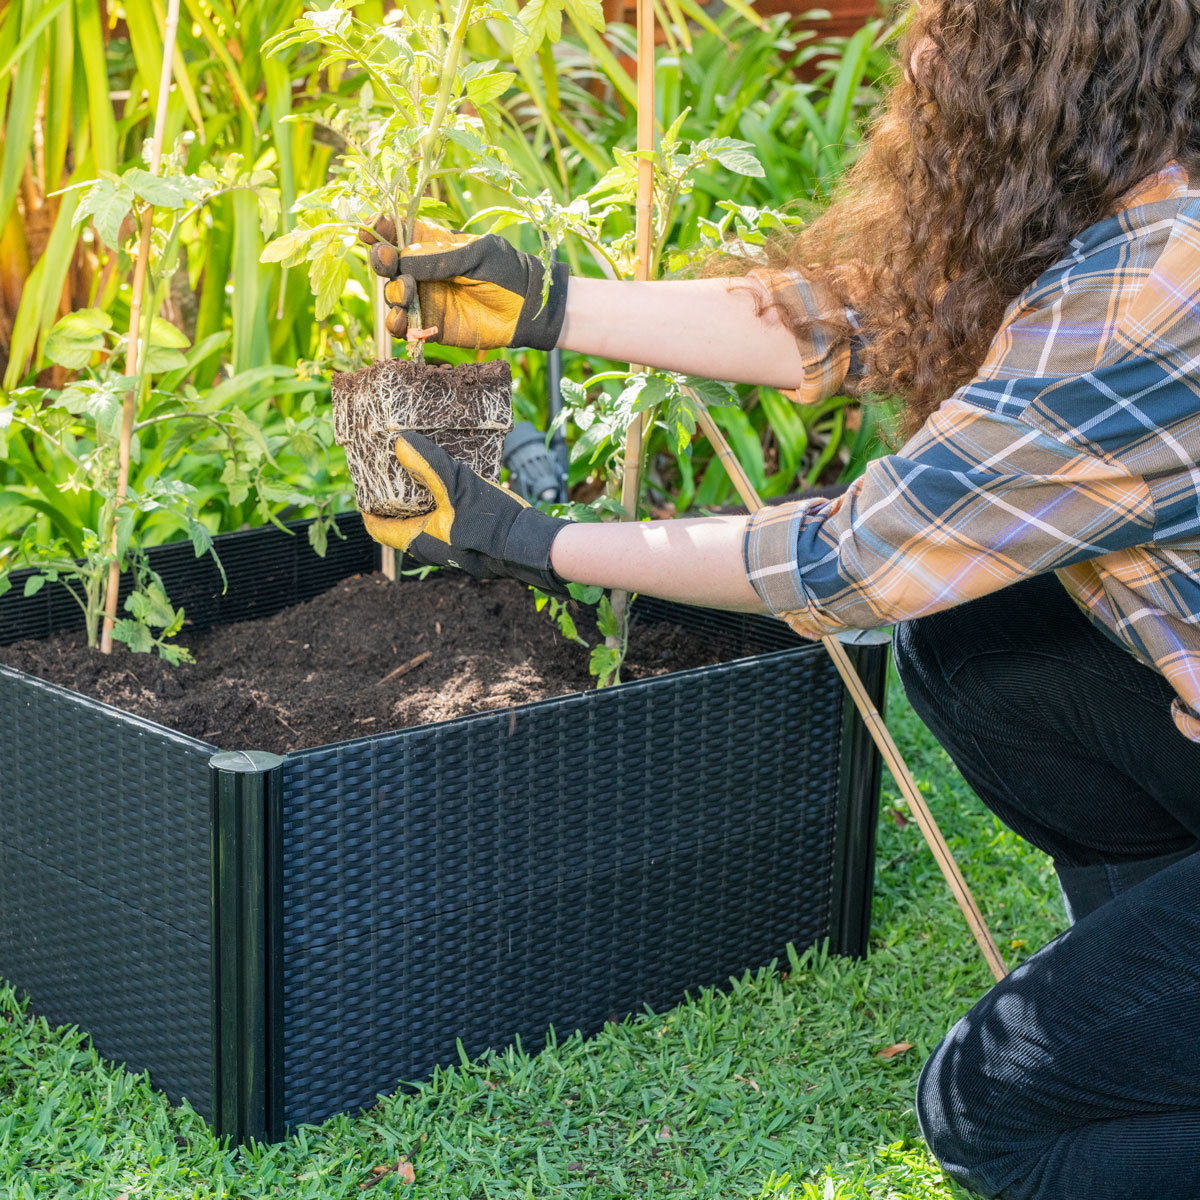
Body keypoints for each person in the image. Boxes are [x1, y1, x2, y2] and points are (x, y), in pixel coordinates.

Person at [354, 2, 1200, 1196]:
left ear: (1048, 76)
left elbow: (849, 560)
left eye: (953, 35)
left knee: (989, 1120)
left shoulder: (1147, 301)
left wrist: (531, 539)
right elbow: (868, 318)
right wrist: (546, 302)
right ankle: (1147, 992)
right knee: (975, 633)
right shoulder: (1143, 213)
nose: (918, 54)